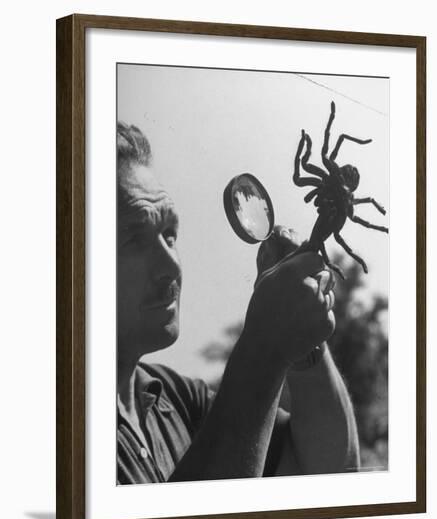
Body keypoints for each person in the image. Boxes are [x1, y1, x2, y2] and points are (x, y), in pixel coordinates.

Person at [116, 121, 360, 484]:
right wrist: (266, 347)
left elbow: (330, 471)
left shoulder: (179, 401)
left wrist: (305, 343)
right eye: (135, 239)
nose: (172, 265)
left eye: (170, 235)